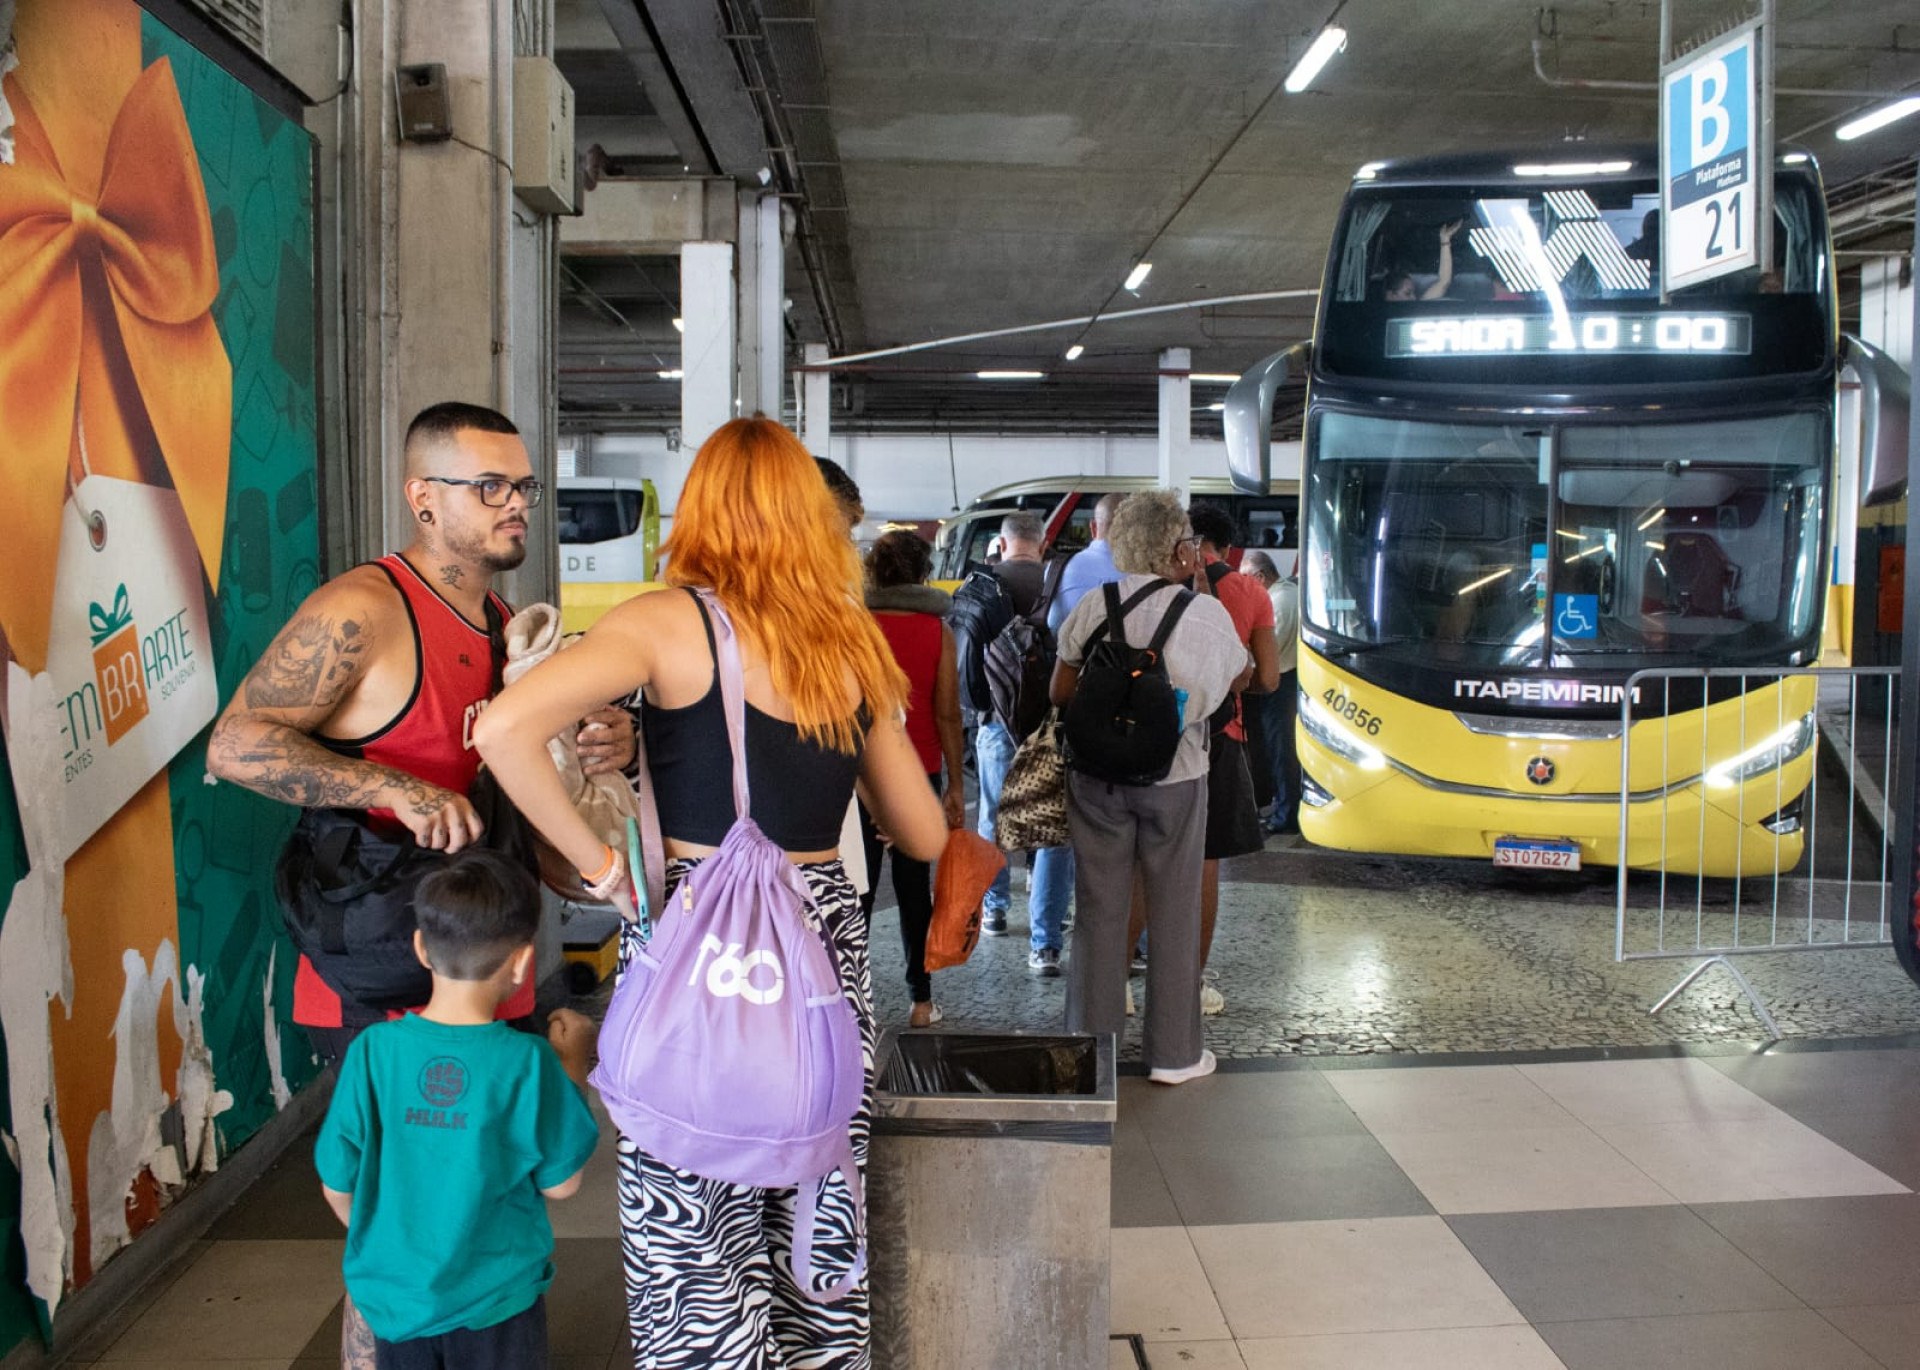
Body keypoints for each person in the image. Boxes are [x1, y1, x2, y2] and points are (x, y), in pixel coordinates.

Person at [473, 416, 947, 1367]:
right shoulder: (850, 644)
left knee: (693, 1235)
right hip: (822, 951)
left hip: (699, 940)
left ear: (706, 511)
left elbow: (505, 733)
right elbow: (924, 833)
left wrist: (605, 870)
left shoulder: (662, 622)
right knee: (813, 1210)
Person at [207, 401, 632, 1366]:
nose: (515, 504)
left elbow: (530, 782)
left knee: (484, 1193)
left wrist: (604, 741)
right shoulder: (363, 610)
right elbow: (235, 744)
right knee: (400, 1216)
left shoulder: (501, 627)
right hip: (374, 969)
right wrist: (386, 784)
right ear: (422, 499)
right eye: (489, 486)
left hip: (486, 957)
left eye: (522, 485)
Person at [315, 849, 600, 1370]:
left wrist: (387, 1249)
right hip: (497, 1301)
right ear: (521, 960)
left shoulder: (373, 1051)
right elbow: (562, 1184)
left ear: (421, 947)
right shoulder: (528, 1061)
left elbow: (337, 1183)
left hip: (399, 1300)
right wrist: (574, 1067)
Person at [1051, 491, 1244, 1085]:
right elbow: (1235, 680)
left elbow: (1060, 692)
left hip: (1097, 779)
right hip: (1176, 778)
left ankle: (1093, 1053)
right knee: (1174, 910)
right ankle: (1174, 1056)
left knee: (1100, 912)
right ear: (1180, 549)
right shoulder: (1204, 615)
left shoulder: (1092, 604)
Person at [949, 510, 1072, 972]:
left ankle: (995, 910)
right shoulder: (1060, 580)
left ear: (1002, 543)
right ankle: (1045, 945)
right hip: (1052, 723)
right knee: (1053, 831)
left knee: (993, 819)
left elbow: (963, 660)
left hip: (995, 722)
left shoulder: (980, 585)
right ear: (1041, 543)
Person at [860, 530, 967, 1028]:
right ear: (924, 574)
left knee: (856, 890)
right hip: (917, 773)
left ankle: (849, 995)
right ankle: (920, 1002)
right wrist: (955, 787)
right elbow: (948, 715)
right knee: (912, 892)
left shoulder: (854, 628)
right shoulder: (937, 632)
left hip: (856, 775)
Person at [1188, 505, 1279, 1017]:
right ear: (1226, 546)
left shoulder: (1163, 583)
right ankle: (1190, 984)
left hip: (1160, 732)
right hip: (1221, 733)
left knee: (1141, 864)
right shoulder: (1250, 592)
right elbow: (1267, 678)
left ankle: (1117, 982)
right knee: (1204, 863)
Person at [1242, 549, 1300, 835]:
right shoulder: (1289, 593)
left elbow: (1267, 652)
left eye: (1245, 579)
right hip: (1288, 683)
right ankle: (1283, 809)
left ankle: (1286, 816)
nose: (1243, 587)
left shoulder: (1277, 602)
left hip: (1281, 687)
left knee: (1281, 752)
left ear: (1260, 577)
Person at [1048, 492, 1127, 633]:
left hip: (1059, 652)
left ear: (1093, 527)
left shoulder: (1056, 568)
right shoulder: (1142, 574)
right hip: (1123, 654)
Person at [1384, 219, 1462, 301]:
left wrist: (1445, 239)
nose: (1413, 298)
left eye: (1413, 293)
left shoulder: (1417, 308)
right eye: (1407, 293)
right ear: (1390, 295)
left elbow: (1444, 282)